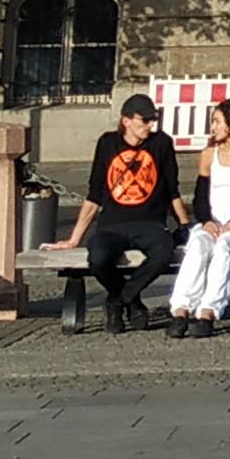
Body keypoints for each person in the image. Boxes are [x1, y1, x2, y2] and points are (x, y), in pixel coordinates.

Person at [165, 98, 230, 339]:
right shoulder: (208, 154)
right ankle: (181, 309)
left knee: (224, 247)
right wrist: (206, 221)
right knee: (198, 246)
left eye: (216, 121)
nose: (212, 127)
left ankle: (209, 311)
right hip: (212, 220)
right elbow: (200, 195)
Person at [79, 91, 183, 332]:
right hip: (112, 225)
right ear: (126, 120)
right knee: (98, 259)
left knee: (163, 252)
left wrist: (184, 225)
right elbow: (94, 195)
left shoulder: (161, 144)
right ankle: (132, 300)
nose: (149, 125)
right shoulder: (107, 143)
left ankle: (117, 301)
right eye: (144, 120)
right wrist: (73, 238)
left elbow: (172, 191)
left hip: (150, 224)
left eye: (152, 120)